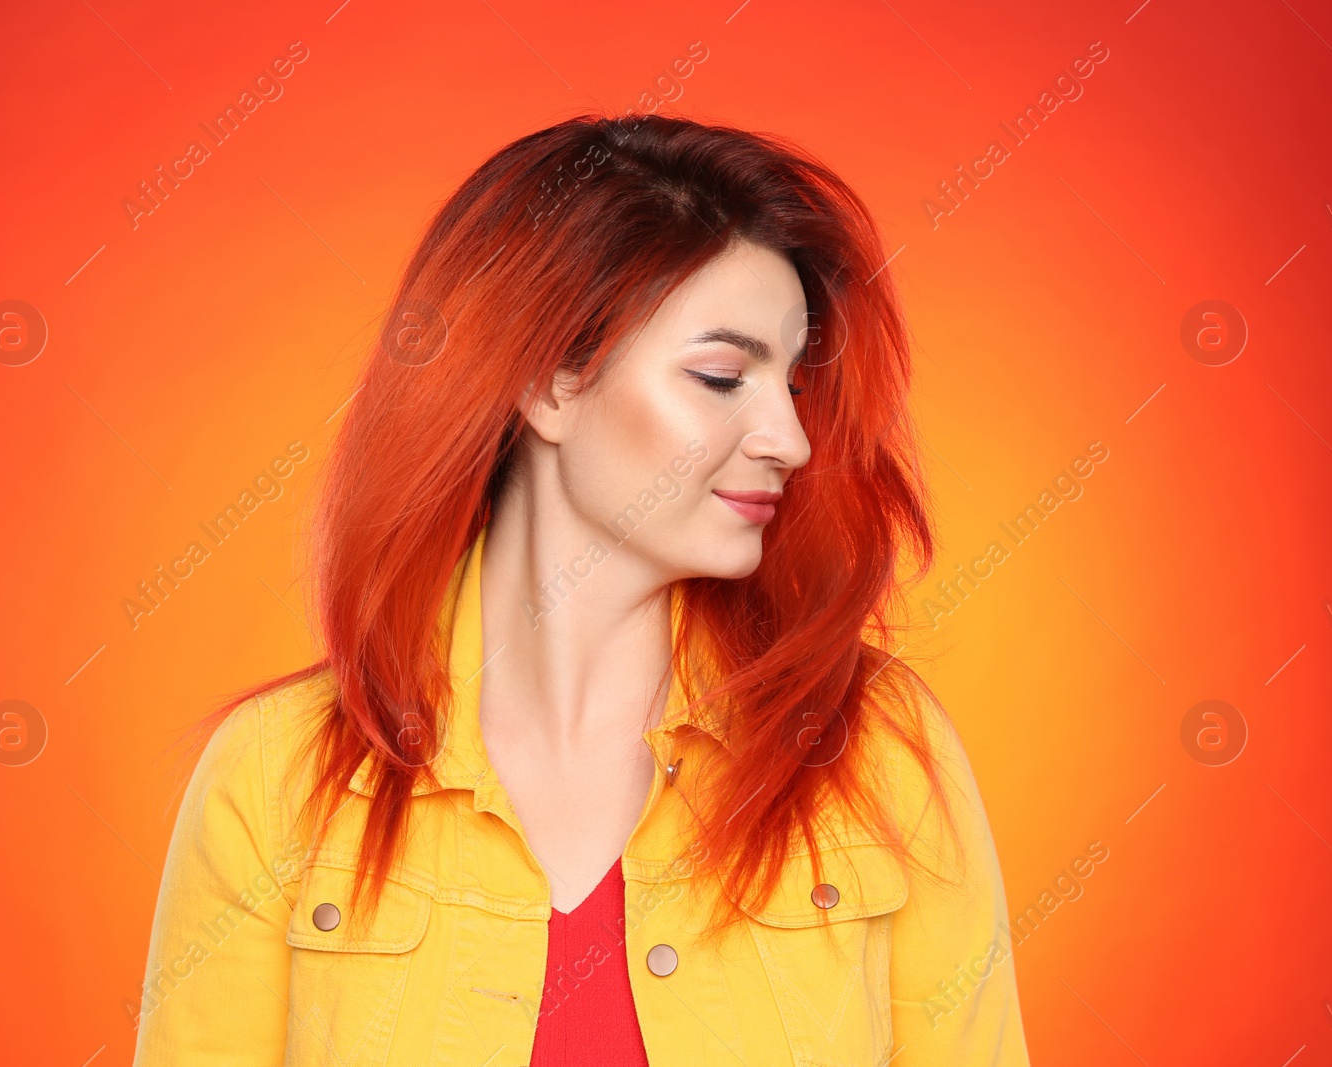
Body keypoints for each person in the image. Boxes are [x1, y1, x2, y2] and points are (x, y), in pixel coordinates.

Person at [131, 112, 1029, 1066]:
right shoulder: (273, 779)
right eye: (724, 376)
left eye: (796, 386)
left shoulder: (879, 749)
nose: (792, 441)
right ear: (550, 382)